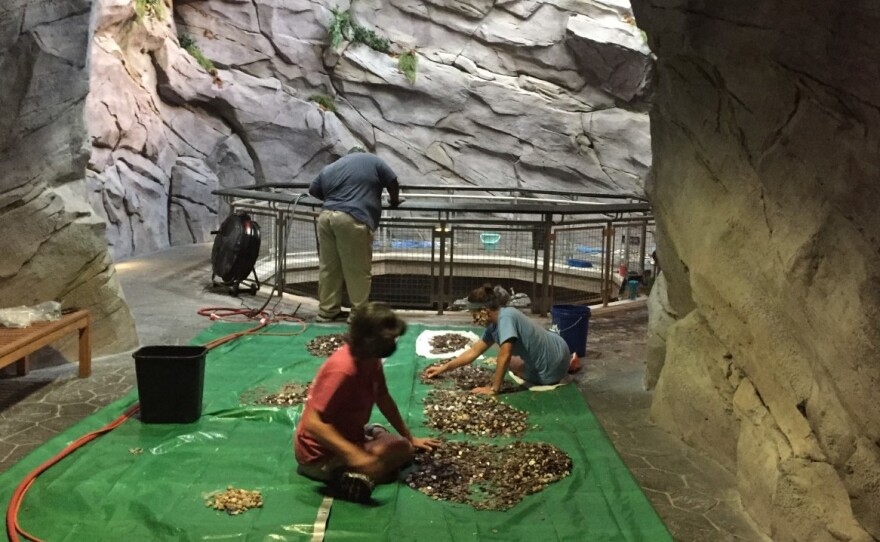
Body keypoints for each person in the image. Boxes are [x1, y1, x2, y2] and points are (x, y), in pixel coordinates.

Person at [295, 302, 441, 502]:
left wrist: (409, 437)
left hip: (350, 436)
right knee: (390, 457)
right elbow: (312, 424)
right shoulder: (343, 369)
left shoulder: (371, 359)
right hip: (319, 456)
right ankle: (347, 472)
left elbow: (383, 397)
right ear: (369, 340)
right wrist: (355, 455)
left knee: (404, 447)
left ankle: (370, 438)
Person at [425, 284, 577, 394]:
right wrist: (443, 368)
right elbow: (473, 351)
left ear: (484, 310)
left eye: (474, 313)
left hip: (548, 373)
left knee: (510, 362)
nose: (473, 318)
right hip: (562, 349)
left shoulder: (505, 319)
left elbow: (505, 355)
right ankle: (570, 363)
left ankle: (564, 366)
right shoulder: (502, 317)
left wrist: (493, 389)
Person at [309, 148, 403, 323]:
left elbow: (313, 190)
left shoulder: (332, 167)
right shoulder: (372, 160)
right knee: (357, 269)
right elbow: (392, 180)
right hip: (353, 217)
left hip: (326, 217)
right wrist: (394, 201)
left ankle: (327, 312)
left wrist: (333, 198)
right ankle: (358, 314)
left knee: (329, 268)